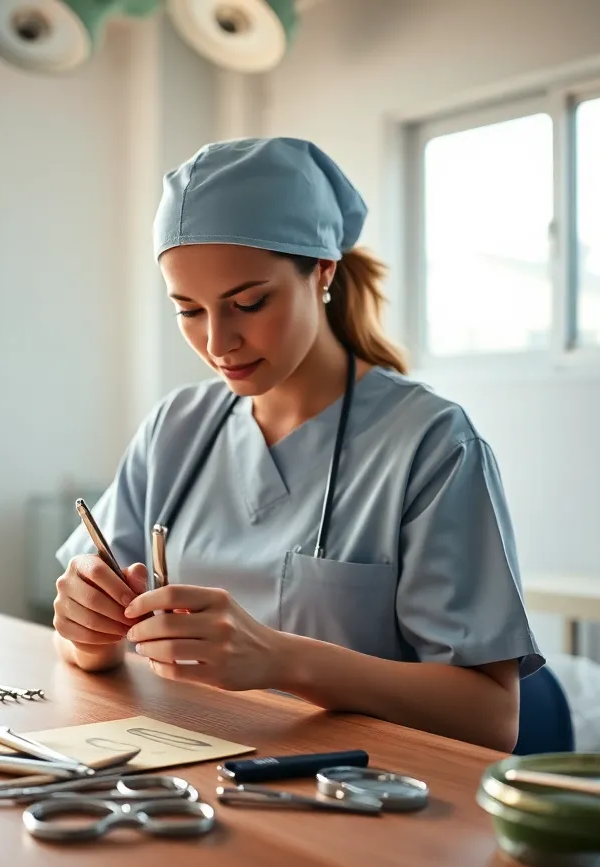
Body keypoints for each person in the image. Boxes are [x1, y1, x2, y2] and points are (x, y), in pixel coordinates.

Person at [52, 137, 543, 752]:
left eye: (249, 303)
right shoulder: (174, 428)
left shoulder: (430, 444)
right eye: (189, 310)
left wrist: (284, 660)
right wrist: (86, 631)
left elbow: (490, 717)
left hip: (359, 801)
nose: (218, 342)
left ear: (323, 271)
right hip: (187, 770)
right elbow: (82, 643)